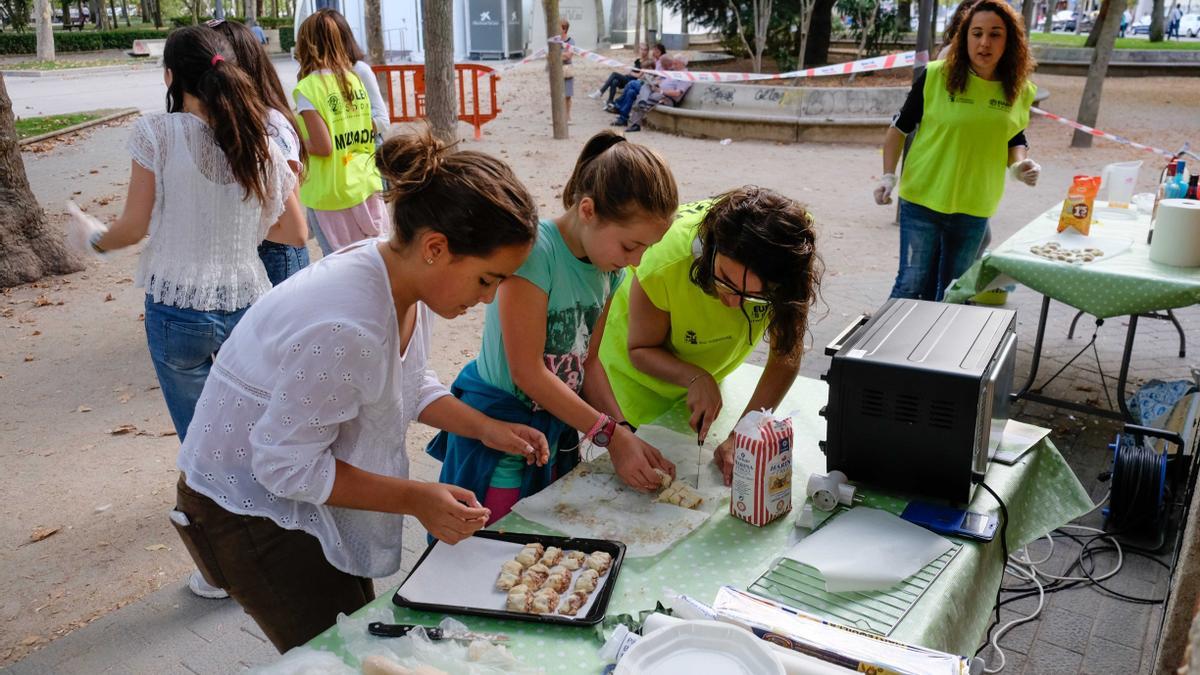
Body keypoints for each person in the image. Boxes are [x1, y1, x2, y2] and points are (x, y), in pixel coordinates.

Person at [169, 129, 549, 652]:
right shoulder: (348, 324)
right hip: (249, 512)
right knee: (336, 654)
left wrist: (485, 428)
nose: (488, 299)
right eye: (487, 280)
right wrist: (417, 499)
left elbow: (405, 384)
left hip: (294, 491)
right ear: (436, 248)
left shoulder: (406, 280)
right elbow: (284, 466)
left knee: (359, 630)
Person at [64, 26, 306, 598]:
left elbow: (132, 228)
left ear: (170, 76)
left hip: (175, 311)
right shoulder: (261, 140)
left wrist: (92, 240)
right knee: (252, 433)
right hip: (248, 306)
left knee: (203, 448)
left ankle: (221, 571)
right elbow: (293, 230)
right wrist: (238, 221)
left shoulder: (156, 133)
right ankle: (280, 541)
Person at [428, 131, 680, 524]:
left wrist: (624, 430)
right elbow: (527, 371)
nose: (636, 261)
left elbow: (590, 364)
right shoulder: (537, 253)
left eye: (646, 249)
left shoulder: (608, 272)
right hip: (503, 430)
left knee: (545, 540)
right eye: (631, 247)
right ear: (587, 210)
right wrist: (610, 436)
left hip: (557, 431)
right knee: (492, 539)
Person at [598, 188, 822, 485]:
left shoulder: (788, 253)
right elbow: (640, 348)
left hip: (706, 372)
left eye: (756, 296)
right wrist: (695, 377)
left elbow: (785, 358)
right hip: (635, 383)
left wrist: (742, 433)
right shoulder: (665, 261)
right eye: (725, 281)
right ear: (708, 251)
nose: (733, 302)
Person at [873, 0, 1040, 302]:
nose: (984, 43)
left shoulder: (1020, 90)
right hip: (922, 198)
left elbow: (1014, 137)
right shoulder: (936, 75)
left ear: (1011, 41)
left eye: (995, 34)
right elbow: (899, 128)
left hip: (974, 206)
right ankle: (889, 347)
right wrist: (887, 176)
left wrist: (1020, 166)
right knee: (910, 285)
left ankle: (934, 348)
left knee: (954, 291)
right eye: (976, 33)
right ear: (964, 38)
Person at [208, 18, 310, 286]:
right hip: (248, 255)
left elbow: (293, 220)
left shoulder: (270, 125)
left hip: (276, 255)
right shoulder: (219, 122)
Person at [293, 9, 386, 253]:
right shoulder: (353, 79)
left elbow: (323, 147)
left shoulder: (308, 88)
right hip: (365, 182)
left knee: (340, 266)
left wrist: (297, 141)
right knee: (374, 257)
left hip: (330, 193)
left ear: (305, 44)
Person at [625, 55, 692, 132]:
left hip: (667, 98)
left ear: (682, 64)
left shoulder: (686, 77)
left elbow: (677, 93)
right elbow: (664, 82)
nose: (673, 65)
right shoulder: (674, 73)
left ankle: (635, 123)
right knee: (646, 85)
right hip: (658, 90)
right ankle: (642, 102)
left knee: (645, 96)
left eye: (675, 63)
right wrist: (655, 83)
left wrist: (661, 91)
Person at [607, 44, 666, 116]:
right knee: (617, 83)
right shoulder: (643, 60)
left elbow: (642, 75)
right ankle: (620, 114)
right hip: (642, 81)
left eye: (645, 50)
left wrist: (631, 73)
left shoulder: (653, 62)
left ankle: (615, 103)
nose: (653, 53)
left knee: (623, 79)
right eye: (641, 49)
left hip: (642, 82)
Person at [559, 17, 576, 122]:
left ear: (564, 29)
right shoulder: (554, 41)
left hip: (567, 70)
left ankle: (568, 116)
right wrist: (562, 55)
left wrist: (557, 55)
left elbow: (569, 56)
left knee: (568, 95)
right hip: (556, 70)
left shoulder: (571, 41)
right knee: (557, 95)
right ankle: (559, 116)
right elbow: (549, 55)